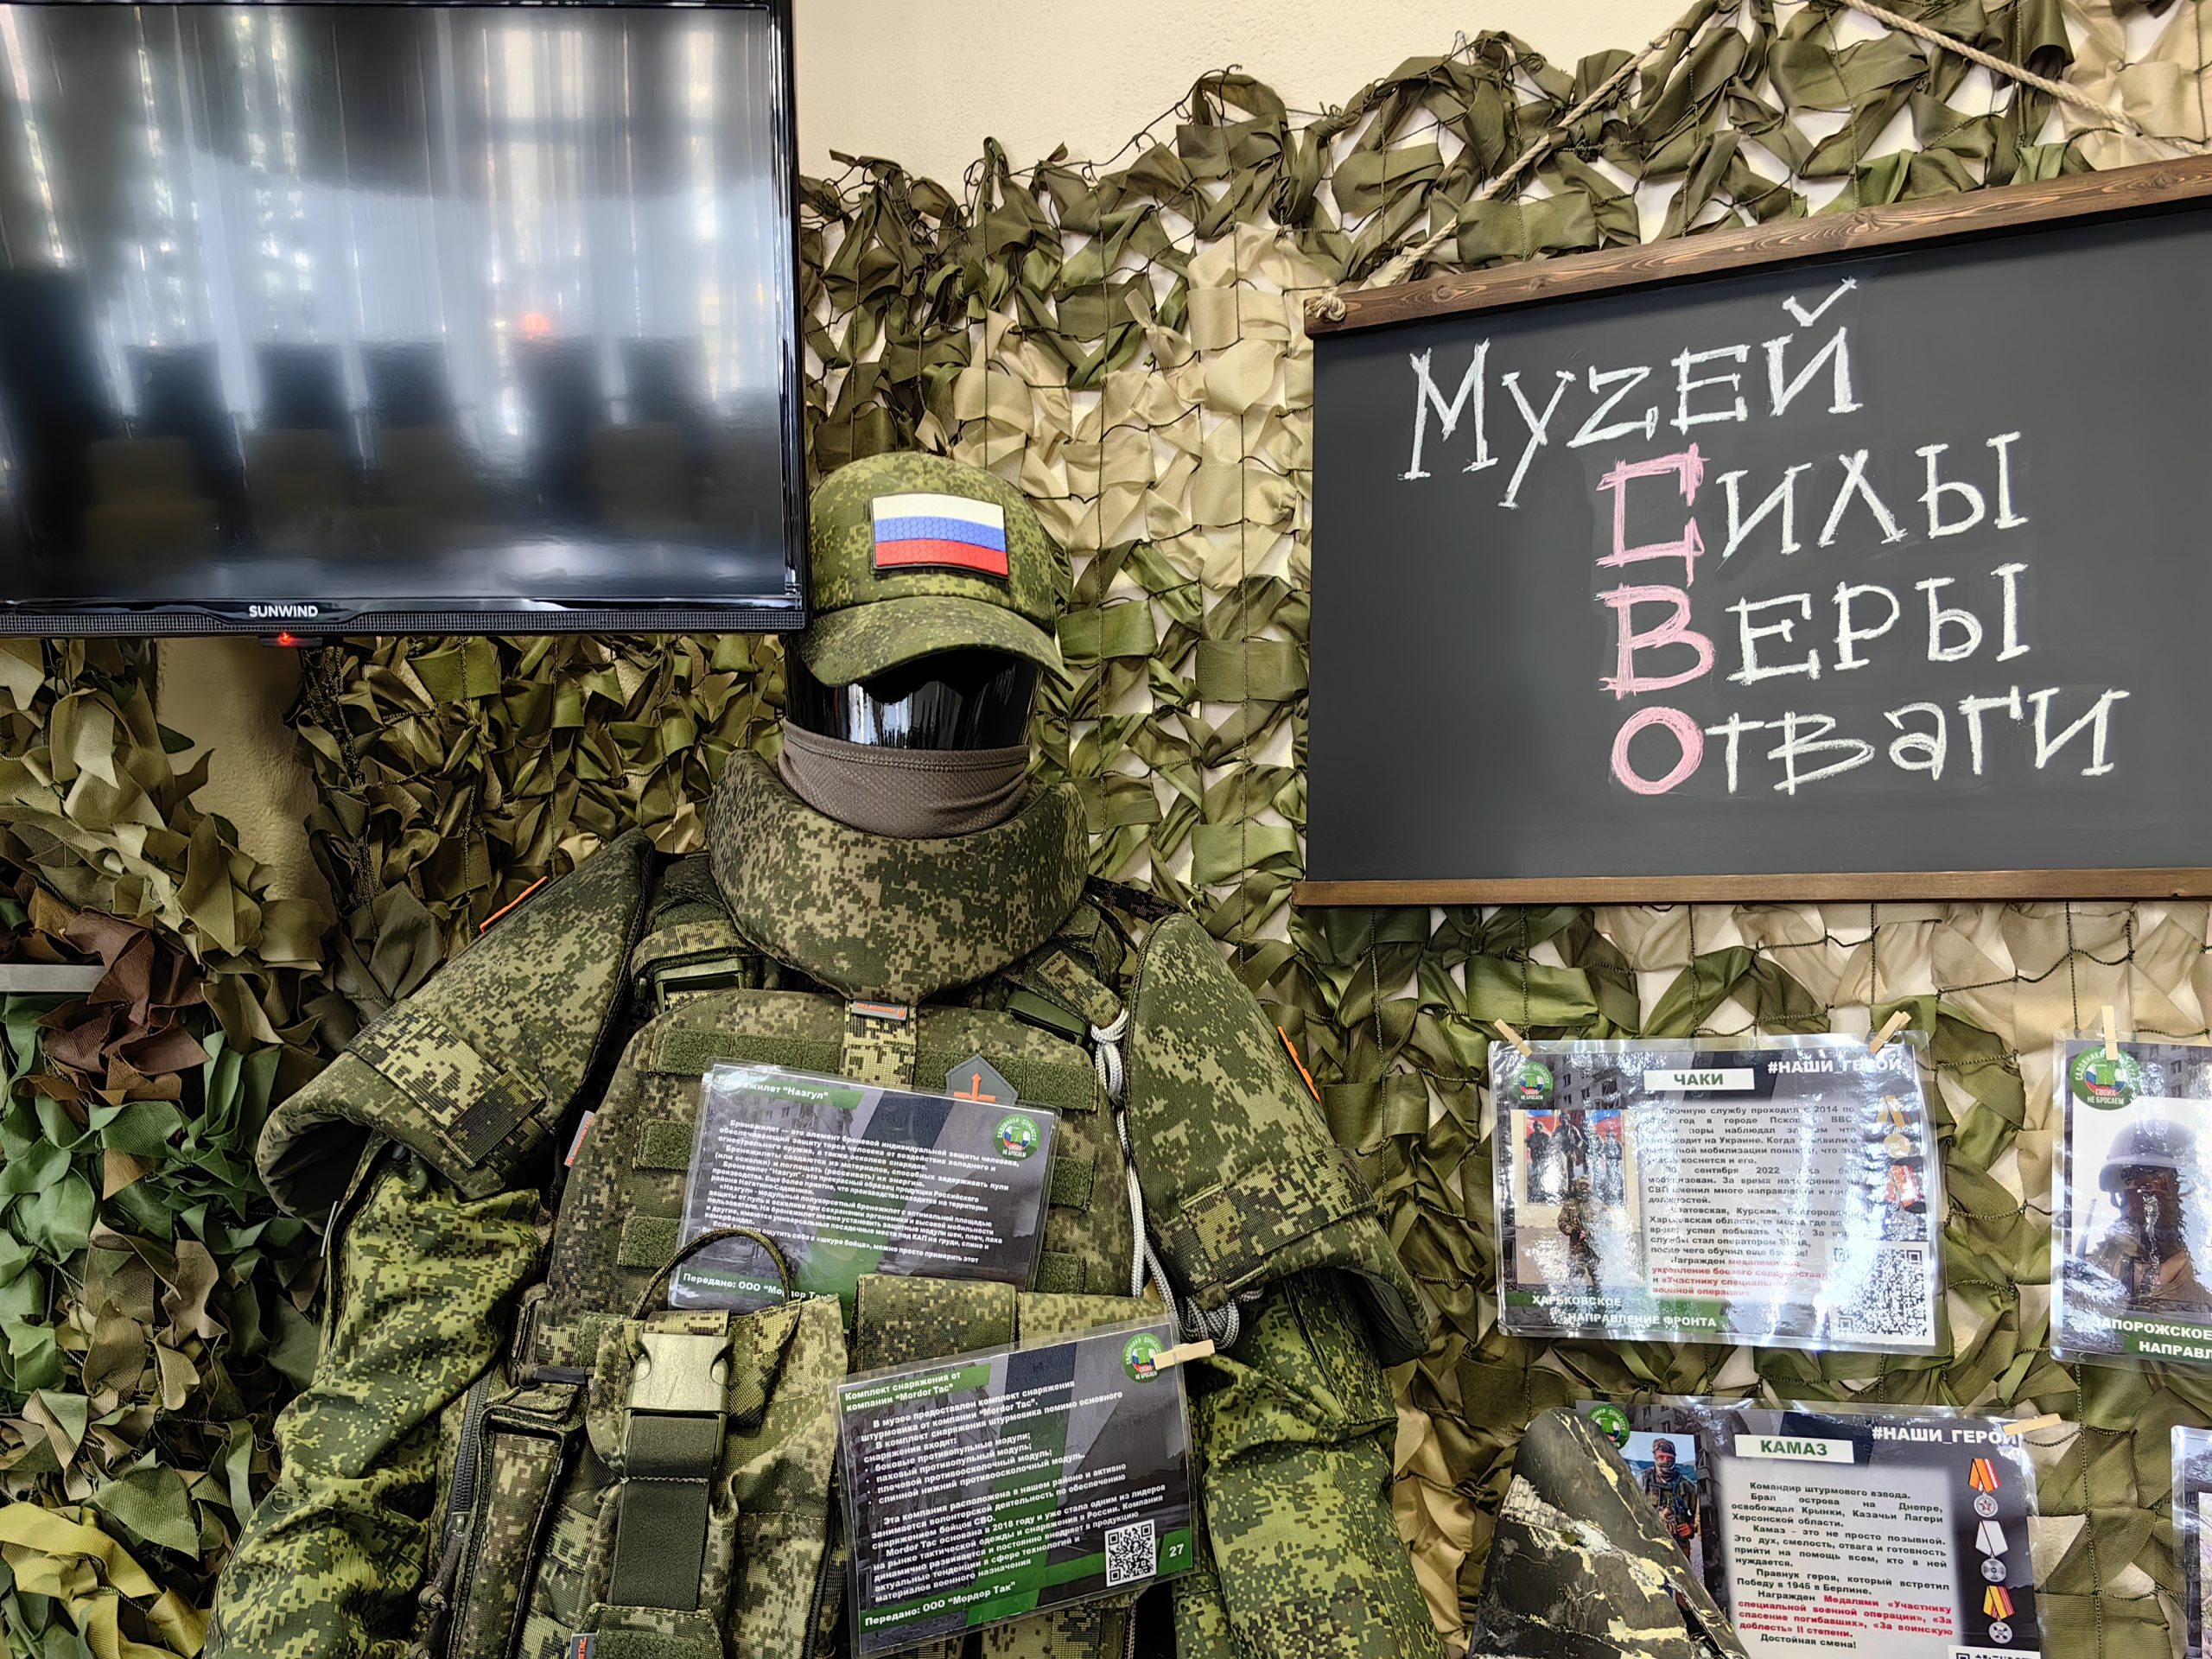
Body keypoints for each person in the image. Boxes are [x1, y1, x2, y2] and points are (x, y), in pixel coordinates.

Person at [211, 453, 1739, 1659]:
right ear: (792, 668)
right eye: (882, 672)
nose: (929, 716)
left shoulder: (1146, 992)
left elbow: (1296, 1463)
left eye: (983, 679)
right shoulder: (608, 957)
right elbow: (374, 1428)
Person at [2085, 1118, 2212, 1311]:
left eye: (2151, 1186)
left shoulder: (2204, 1269)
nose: (2137, 1198)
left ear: (2184, 1190)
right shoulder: (2099, 1265)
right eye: (2128, 1185)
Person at [1641, 1439, 1699, 1549]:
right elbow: (1631, 1511)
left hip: (1680, 1547)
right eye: (1661, 1457)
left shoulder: (1687, 1485)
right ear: (1655, 1457)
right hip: (1650, 1545)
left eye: (1669, 1458)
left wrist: (1691, 1527)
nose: (1665, 1461)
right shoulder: (1643, 1481)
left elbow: (1700, 1514)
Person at [1558, 1174, 1605, 1298]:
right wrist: (1574, 1232)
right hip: (1577, 1247)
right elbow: (1562, 1222)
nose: (1583, 1188)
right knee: (1575, 1275)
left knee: (1598, 1277)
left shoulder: (1597, 1204)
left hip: (1594, 1248)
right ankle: (1574, 1300)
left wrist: (1592, 1232)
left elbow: (1606, 1223)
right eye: (1581, 1185)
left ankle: (1601, 1301)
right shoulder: (1569, 1204)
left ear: (1590, 1187)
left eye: (1586, 1185)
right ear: (1576, 1187)